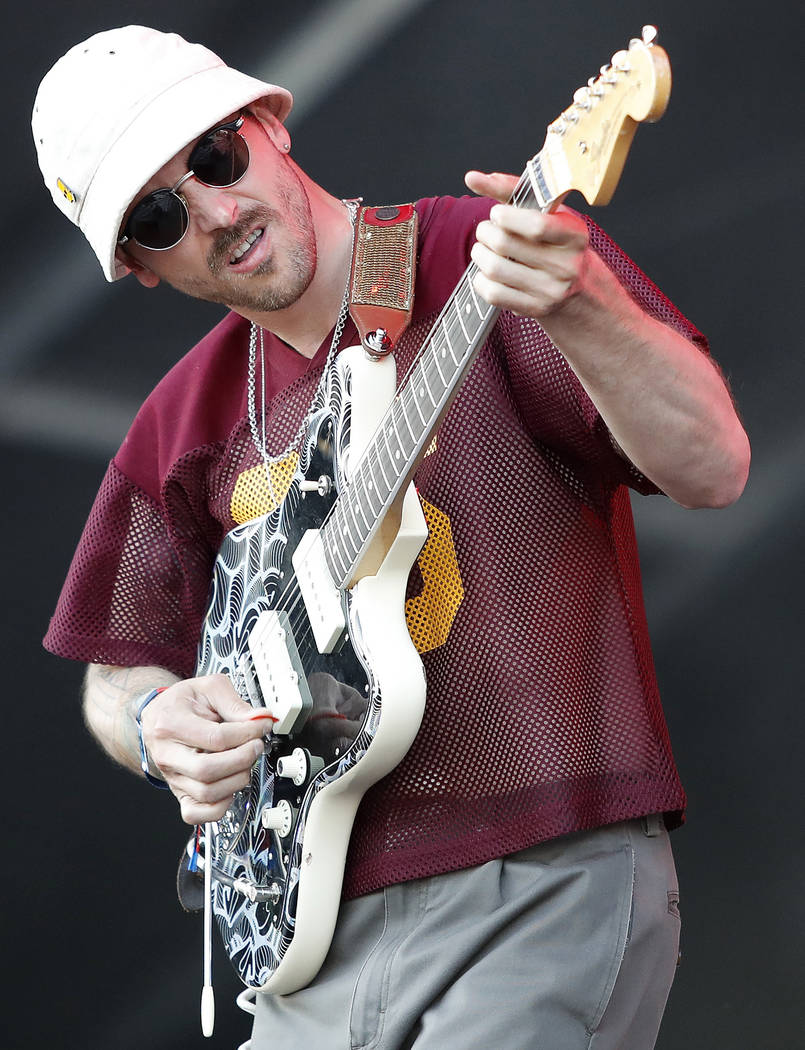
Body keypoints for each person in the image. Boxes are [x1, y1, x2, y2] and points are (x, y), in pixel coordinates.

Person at [34, 24, 749, 1050]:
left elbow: (714, 465)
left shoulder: (476, 253)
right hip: (301, 953)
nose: (216, 212)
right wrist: (154, 724)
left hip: (538, 881)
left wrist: (581, 301)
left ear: (270, 122)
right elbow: (117, 667)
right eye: (159, 216)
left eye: (216, 157)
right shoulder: (179, 426)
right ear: (140, 268)